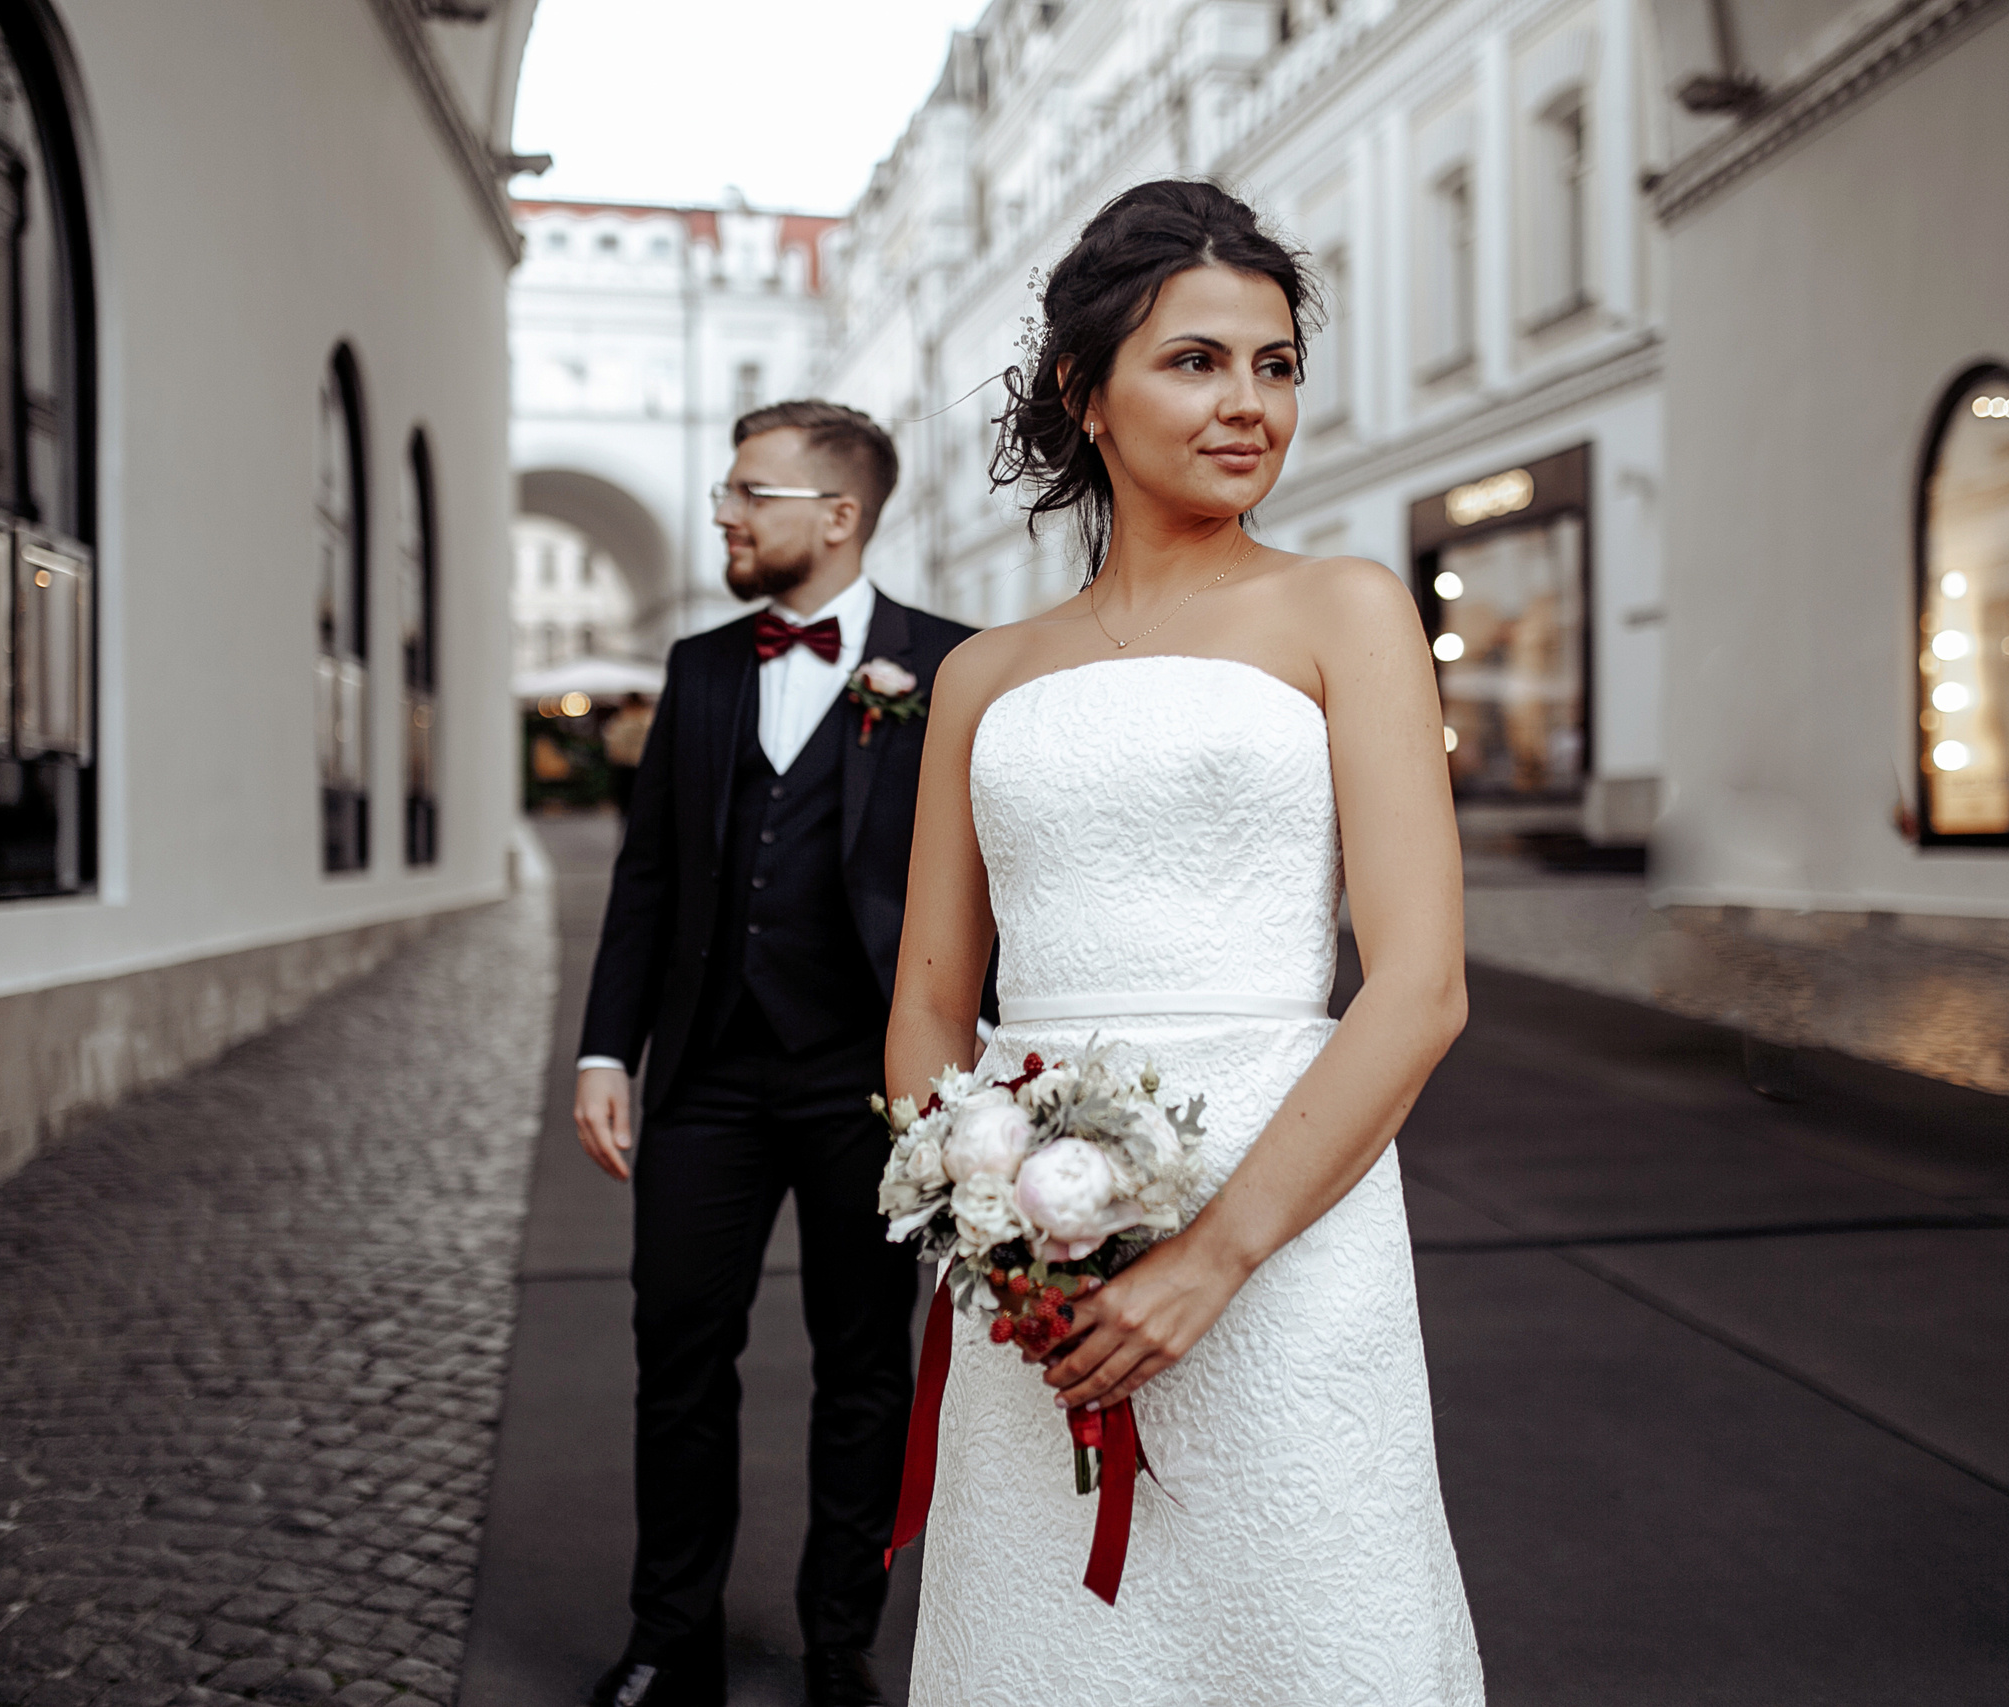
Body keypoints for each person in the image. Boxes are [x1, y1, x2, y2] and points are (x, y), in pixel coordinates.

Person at [885, 181, 1485, 1702]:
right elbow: (933, 1002)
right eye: (1198, 360)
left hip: (1285, 1228)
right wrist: (1000, 1246)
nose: (1249, 404)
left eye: (1276, 364)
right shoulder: (983, 675)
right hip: (1040, 1264)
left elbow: (1418, 988)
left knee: (1307, 1618)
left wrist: (1212, 1257)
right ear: (1087, 392)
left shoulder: (1343, 609)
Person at [573, 400, 980, 1707]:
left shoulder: (950, 665)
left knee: (864, 1361)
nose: (723, 513)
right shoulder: (696, 668)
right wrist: (601, 1049)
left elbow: (986, 881)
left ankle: (837, 1636)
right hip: (705, 1076)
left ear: (839, 514)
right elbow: (645, 878)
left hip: (875, 1077)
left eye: (751, 490)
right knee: (677, 1351)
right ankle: (668, 1631)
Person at [602, 691, 656, 814]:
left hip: (629, 765)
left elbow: (611, 739)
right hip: (635, 765)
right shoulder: (648, 718)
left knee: (630, 801)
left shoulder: (622, 719)